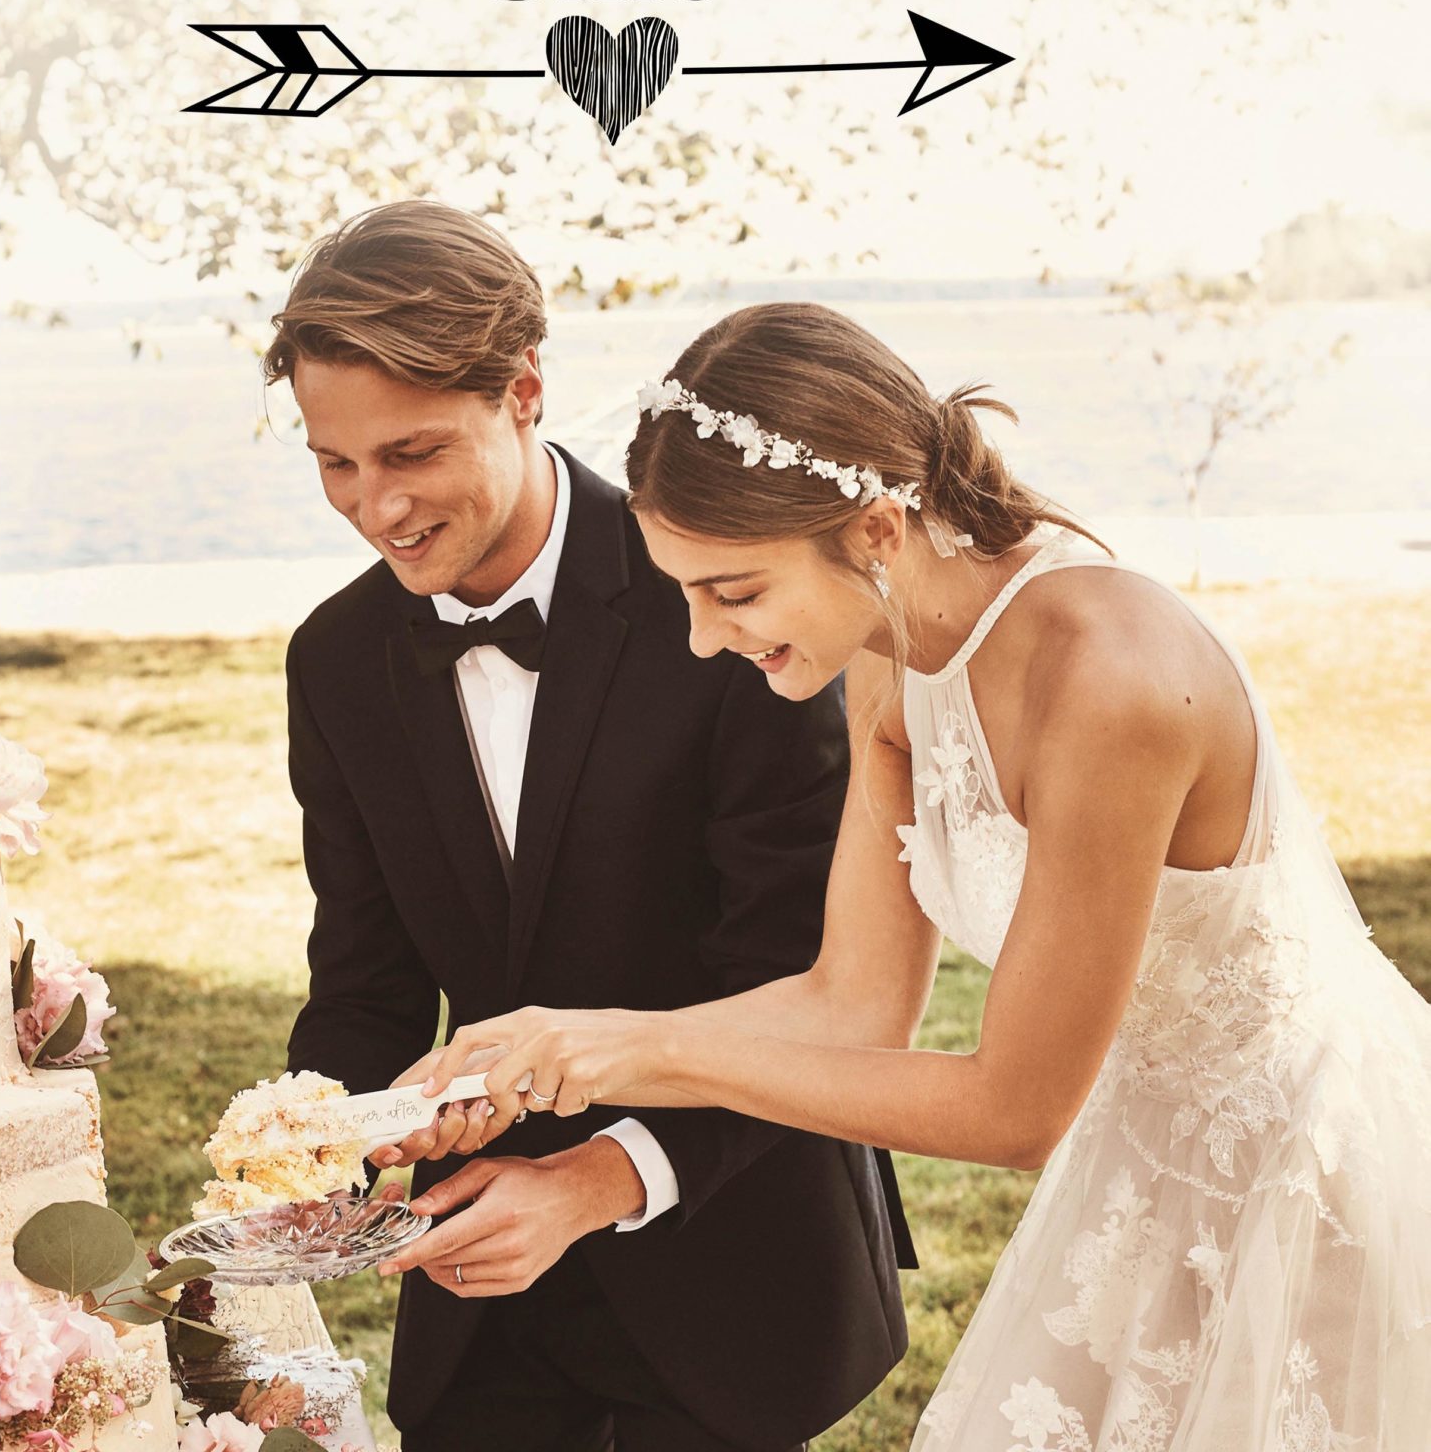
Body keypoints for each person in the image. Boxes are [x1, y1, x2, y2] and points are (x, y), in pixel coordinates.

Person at [406, 299, 1431, 1452]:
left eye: (733, 591)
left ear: (879, 530)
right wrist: (565, 1037)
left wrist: (639, 1053)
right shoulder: (888, 660)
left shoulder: (1111, 677)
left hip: (1316, 1158)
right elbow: (854, 1002)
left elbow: (1017, 1108)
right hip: (1149, 1155)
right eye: (683, 592)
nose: (700, 640)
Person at [266, 212, 915, 1452]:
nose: (376, 506)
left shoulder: (735, 590)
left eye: (411, 451)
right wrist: (317, 1152)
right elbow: (365, 978)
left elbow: (802, 979)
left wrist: (594, 1179)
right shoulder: (336, 660)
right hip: (476, 1292)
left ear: (524, 391)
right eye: (334, 463)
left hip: (732, 1257)